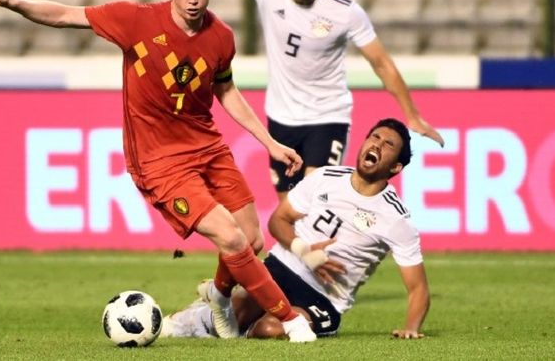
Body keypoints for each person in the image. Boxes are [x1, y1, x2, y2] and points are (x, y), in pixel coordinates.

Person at [0, 0, 316, 343]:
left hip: (207, 146)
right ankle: (291, 320)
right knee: (231, 238)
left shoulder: (221, 37)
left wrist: (269, 142)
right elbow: (66, 15)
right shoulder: (135, 21)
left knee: (253, 237)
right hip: (159, 161)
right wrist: (13, 2)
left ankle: (218, 295)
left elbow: (226, 91)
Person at [173, 0, 444, 201]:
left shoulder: (344, 10)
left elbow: (382, 63)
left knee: (313, 199)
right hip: (281, 118)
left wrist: (412, 115)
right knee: (288, 211)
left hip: (327, 117)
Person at [161, 117, 430, 340]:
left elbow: (418, 288)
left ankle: (221, 311)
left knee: (270, 329)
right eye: (374, 137)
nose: (377, 144)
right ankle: (198, 316)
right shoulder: (325, 177)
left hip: (324, 298)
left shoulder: (395, 217)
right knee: (240, 311)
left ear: (396, 166)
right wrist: (305, 251)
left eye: (388, 144)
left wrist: (411, 328)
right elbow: (278, 221)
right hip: (282, 267)